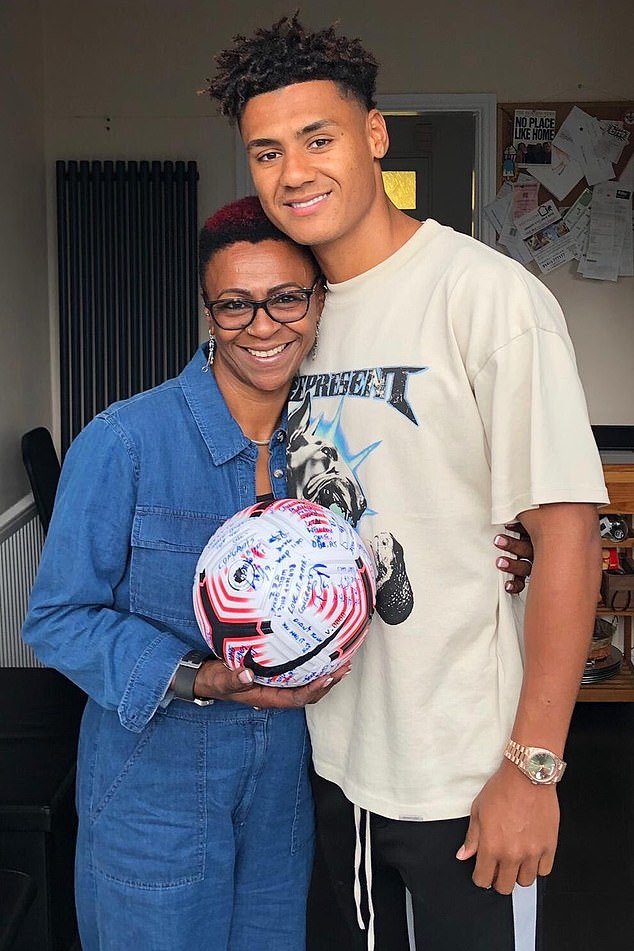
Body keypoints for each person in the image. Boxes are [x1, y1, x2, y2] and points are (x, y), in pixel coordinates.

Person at [22, 195, 532, 951]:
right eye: (235, 304)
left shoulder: (330, 441)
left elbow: (405, 529)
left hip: (286, 802)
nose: (263, 327)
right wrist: (198, 675)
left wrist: (502, 554)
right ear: (208, 311)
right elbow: (58, 617)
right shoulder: (125, 440)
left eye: (287, 297)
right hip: (151, 801)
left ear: (320, 301)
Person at [206, 15, 607, 951]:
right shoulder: (294, 315)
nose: (293, 171)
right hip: (334, 761)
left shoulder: (487, 296)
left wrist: (532, 769)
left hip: (466, 771)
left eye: (318, 138)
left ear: (374, 136)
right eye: (267, 151)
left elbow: (569, 537)